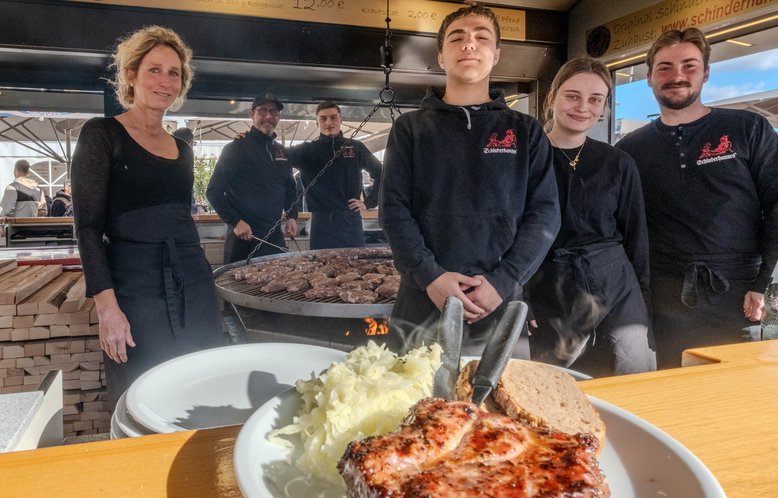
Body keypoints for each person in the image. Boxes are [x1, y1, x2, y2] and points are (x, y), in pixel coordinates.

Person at [379, 4, 560, 351]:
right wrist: (430, 276)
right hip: (423, 299)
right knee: (407, 386)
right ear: (441, 57)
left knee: (499, 388)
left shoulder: (525, 130)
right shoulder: (409, 129)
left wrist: (504, 280)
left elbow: (545, 215)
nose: (469, 44)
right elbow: (394, 211)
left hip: (498, 300)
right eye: (457, 38)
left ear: (496, 55)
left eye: (482, 37)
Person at [615, 28, 778, 369]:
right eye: (665, 67)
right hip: (661, 298)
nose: (677, 76)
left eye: (689, 66)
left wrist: (766, 284)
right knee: (669, 388)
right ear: (650, 77)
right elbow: (623, 226)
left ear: (706, 73)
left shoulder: (749, 129)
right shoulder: (630, 149)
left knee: (737, 389)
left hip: (741, 295)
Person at [71, 25, 223, 408]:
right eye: (154, 69)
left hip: (194, 284)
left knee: (201, 388)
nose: (165, 81)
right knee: (145, 395)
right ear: (130, 75)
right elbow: (88, 229)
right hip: (136, 291)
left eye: (174, 73)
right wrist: (107, 309)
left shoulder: (182, 149)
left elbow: (181, 218)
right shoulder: (102, 135)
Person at [527, 57, 655, 377]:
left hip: (617, 287)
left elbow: (636, 238)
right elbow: (511, 235)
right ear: (552, 98)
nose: (583, 107)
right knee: (554, 387)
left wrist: (643, 303)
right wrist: (521, 298)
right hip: (549, 290)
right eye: (572, 96)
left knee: (628, 382)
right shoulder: (526, 161)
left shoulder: (619, 163)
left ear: (604, 107)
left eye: (595, 99)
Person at [206, 93, 298, 263]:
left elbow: (290, 188)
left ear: (278, 117)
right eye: (262, 111)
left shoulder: (283, 152)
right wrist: (235, 222)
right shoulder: (235, 148)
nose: (268, 116)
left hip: (274, 237)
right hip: (243, 237)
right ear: (251, 114)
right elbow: (213, 191)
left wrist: (292, 216)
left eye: (274, 112)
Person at [287, 101, 382, 250]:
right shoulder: (306, 151)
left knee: (357, 262)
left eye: (333, 117)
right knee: (321, 264)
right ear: (317, 122)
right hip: (321, 223)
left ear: (341, 119)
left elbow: (382, 174)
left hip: (351, 221)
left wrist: (369, 202)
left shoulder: (355, 147)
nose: (328, 122)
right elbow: (276, 158)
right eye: (323, 118)